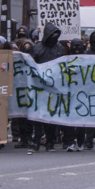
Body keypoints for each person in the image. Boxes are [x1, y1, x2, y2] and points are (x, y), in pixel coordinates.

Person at [28, 23, 67, 153]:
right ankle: (36, 142)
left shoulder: (59, 48)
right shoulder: (37, 48)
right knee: (38, 117)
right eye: (52, 34)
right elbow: (31, 64)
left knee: (52, 117)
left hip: (54, 87)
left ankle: (50, 142)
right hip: (39, 87)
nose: (54, 37)